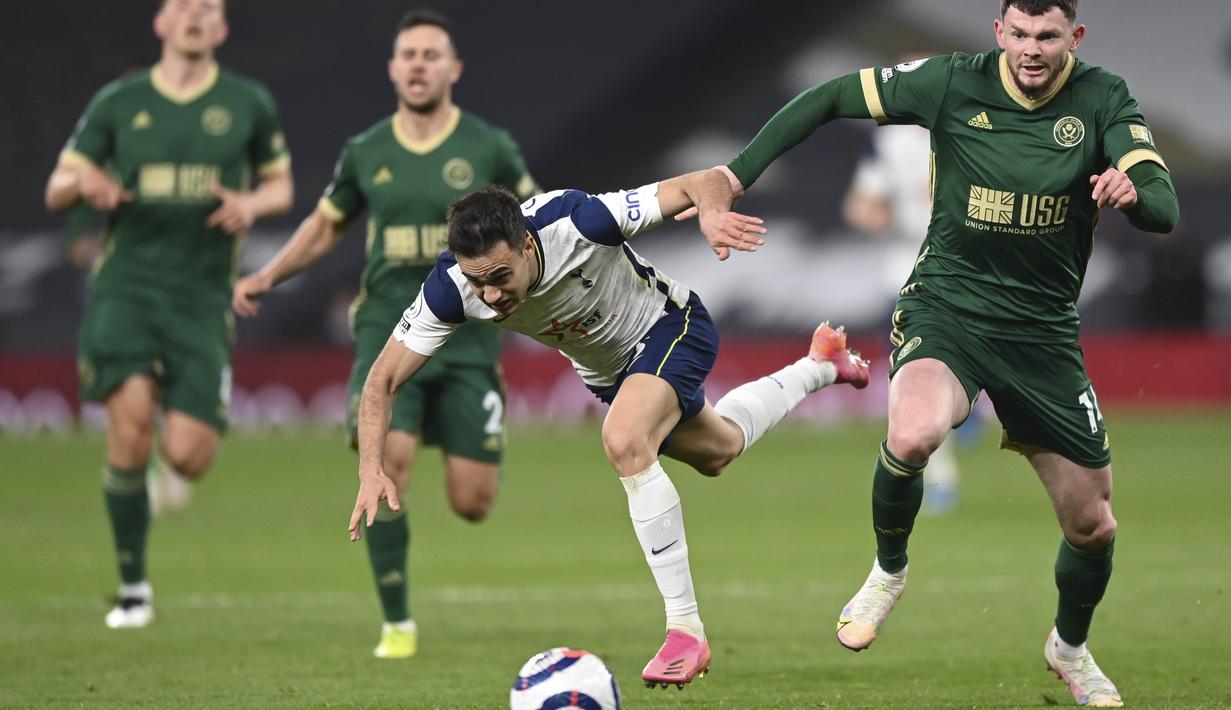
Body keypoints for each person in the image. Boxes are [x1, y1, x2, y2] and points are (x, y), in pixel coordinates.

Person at [717, 1, 1178, 706]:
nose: (1030, 49)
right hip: (946, 308)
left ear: (1073, 38)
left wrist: (1131, 193)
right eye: (1018, 34)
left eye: (1046, 36)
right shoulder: (951, 82)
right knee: (913, 433)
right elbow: (830, 95)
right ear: (999, 32)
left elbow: (1163, 204)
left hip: (1042, 334)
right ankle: (888, 570)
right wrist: (735, 175)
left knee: (1092, 525)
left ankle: (1069, 647)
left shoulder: (1101, 98)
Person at [347, 170, 871, 688]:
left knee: (623, 440)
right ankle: (822, 365)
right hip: (611, 374)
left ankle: (685, 629)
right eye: (477, 281)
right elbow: (381, 379)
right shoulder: (451, 288)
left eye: (500, 277)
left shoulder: (579, 221)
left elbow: (702, 180)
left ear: (527, 245)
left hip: (671, 327)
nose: (489, 295)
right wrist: (371, 468)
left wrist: (710, 213)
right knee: (720, 449)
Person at [232, 9, 538, 660]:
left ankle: (465, 430)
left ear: (453, 68)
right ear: (393, 69)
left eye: (432, 54)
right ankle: (397, 622)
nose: (419, 64)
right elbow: (324, 225)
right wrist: (269, 275)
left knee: (472, 501)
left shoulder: (489, 146)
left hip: (471, 334)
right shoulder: (367, 150)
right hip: (388, 329)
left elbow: (536, 222)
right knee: (387, 463)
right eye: (409, 54)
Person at [44, 0, 294, 629]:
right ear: (160, 23)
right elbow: (57, 186)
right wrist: (85, 187)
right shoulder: (118, 103)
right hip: (126, 288)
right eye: (181, 5)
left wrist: (251, 203)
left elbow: (282, 186)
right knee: (127, 430)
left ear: (222, 29)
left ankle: (168, 450)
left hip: (202, 297)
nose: (193, 15)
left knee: (189, 456)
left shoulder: (246, 102)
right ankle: (134, 589)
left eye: (207, 7)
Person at [842, 105, 963, 516]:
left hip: (945, 269)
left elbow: (861, 207)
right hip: (918, 270)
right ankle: (941, 475)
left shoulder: (965, 135)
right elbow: (861, 206)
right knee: (916, 374)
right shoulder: (896, 143)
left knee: (935, 371)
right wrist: (885, 218)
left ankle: (971, 407)